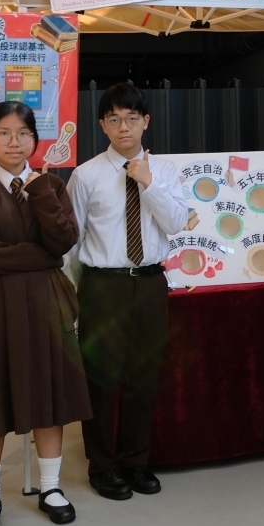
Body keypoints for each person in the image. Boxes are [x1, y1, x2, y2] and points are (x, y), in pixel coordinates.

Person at [0, 101, 91, 526]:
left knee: (48, 398)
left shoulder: (51, 185)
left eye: (23, 133)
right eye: (4, 133)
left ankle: (50, 487)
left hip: (45, 306)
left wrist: (41, 194)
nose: (15, 142)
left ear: (35, 138)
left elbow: (63, 240)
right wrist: (42, 256)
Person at [69, 83, 186, 500]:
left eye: (132, 118)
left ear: (145, 122)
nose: (124, 127)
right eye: (114, 119)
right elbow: (72, 240)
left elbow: (177, 224)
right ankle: (102, 466)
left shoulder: (165, 171)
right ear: (102, 125)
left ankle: (136, 461)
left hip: (151, 282)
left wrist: (149, 184)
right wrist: (77, 294)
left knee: (143, 377)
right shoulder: (86, 175)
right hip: (103, 285)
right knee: (100, 380)